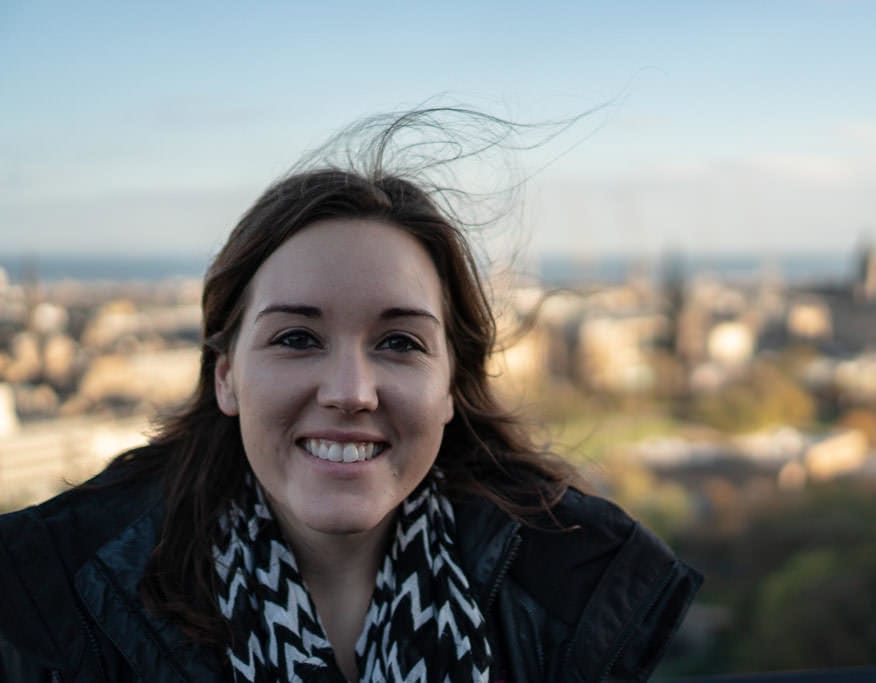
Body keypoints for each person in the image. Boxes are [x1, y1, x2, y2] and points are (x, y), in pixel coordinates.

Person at [0, 109, 702, 682]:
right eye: (297, 339)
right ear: (226, 376)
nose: (349, 392)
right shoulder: (48, 599)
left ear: (452, 385)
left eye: (399, 343)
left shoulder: (570, 590)